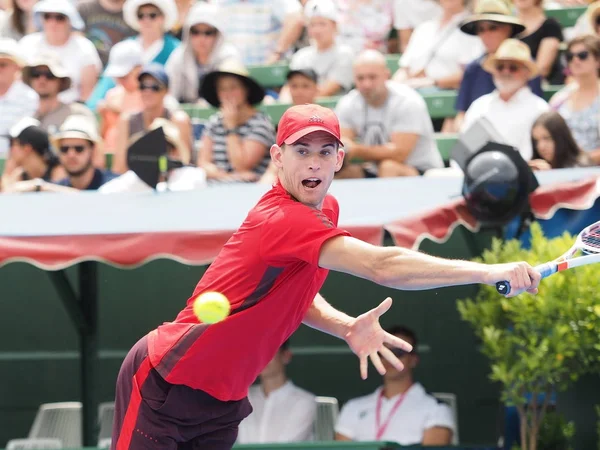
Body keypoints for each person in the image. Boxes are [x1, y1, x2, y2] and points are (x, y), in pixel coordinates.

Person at [110, 103, 540, 450]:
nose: (313, 163)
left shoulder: (326, 210)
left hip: (221, 403)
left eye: (324, 151)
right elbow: (382, 266)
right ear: (277, 158)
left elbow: (290, 295)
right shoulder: (280, 217)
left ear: (339, 159)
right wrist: (487, 271)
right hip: (163, 384)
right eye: (301, 151)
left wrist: (345, 326)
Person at [335, 325, 455, 445]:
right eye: (382, 352)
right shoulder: (353, 407)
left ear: (414, 359)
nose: (389, 358)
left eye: (398, 352)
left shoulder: (436, 409)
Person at [237, 340, 316, 444]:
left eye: (269, 351)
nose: (262, 358)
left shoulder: (304, 401)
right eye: (256, 353)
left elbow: (286, 445)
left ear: (286, 356)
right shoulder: (243, 398)